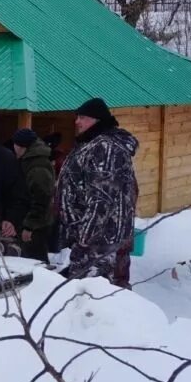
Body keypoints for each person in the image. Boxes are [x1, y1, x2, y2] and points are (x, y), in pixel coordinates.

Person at [56, 98, 138, 288]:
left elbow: (102, 199)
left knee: (93, 294)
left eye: (83, 117)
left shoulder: (106, 148)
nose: (77, 121)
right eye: (77, 117)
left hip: (99, 241)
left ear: (97, 120)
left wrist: (85, 238)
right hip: (94, 239)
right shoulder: (92, 143)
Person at [12, 128, 55, 262]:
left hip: (37, 224)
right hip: (33, 220)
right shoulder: (30, 161)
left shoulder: (37, 166)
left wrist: (29, 226)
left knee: (35, 261)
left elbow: (41, 198)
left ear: (21, 146)